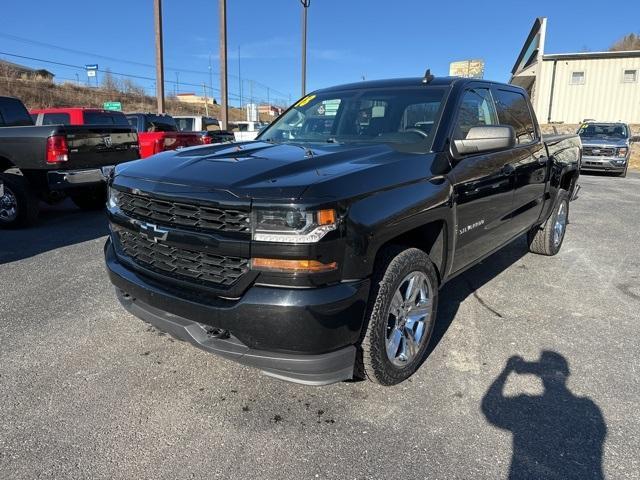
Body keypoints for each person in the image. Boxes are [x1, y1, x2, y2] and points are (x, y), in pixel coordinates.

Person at [482, 351, 606, 479]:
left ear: (540, 375)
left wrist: (506, 371)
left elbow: (490, 406)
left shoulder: (527, 406)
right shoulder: (588, 409)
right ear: (566, 375)